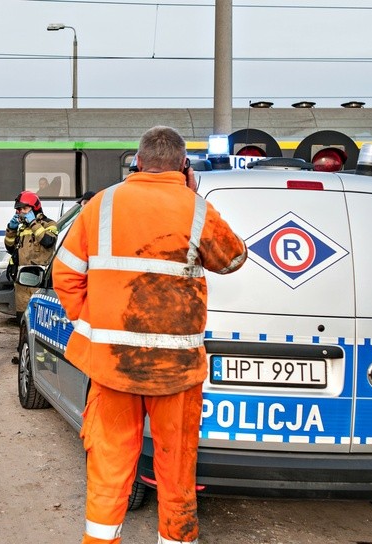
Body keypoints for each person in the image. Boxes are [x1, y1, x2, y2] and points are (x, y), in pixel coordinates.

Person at [52, 126, 247, 544]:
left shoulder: (102, 205)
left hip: (112, 368)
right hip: (175, 374)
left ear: (137, 163)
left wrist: (93, 325)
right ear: (183, 166)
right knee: (176, 471)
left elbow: (66, 273)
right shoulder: (196, 209)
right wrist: (194, 194)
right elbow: (233, 260)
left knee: (109, 467)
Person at [4, 190, 58, 364]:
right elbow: (10, 248)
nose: (20, 212)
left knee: (42, 322)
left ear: (34, 207)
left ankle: (42, 358)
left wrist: (33, 223)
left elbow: (48, 241)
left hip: (40, 282)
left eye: (23, 209)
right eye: (18, 210)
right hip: (22, 282)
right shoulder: (22, 228)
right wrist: (11, 230)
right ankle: (24, 355)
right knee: (23, 321)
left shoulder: (49, 224)